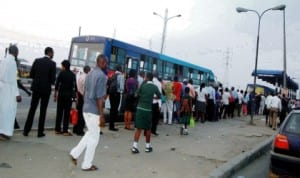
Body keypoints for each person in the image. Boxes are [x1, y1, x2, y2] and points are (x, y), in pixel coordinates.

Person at [70, 54, 108, 171]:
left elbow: (84, 91)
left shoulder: (90, 74)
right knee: (94, 138)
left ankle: (75, 153)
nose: (106, 65)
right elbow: (99, 98)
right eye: (105, 63)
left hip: (85, 108)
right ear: (101, 63)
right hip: (94, 111)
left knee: (90, 133)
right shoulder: (101, 76)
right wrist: (101, 115)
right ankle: (87, 164)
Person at [23, 47, 56, 137]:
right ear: (50, 53)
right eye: (53, 53)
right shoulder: (52, 64)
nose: (53, 55)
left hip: (36, 88)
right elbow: (53, 80)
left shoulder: (37, 61)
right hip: (45, 90)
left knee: (32, 109)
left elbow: (31, 74)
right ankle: (40, 132)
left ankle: (26, 130)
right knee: (43, 110)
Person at [131, 72, 161, 154]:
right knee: (148, 129)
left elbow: (136, 94)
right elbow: (160, 96)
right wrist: (154, 97)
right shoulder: (154, 87)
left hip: (140, 108)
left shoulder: (143, 85)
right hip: (148, 110)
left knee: (139, 129)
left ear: (147, 78)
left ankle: (134, 146)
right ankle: (147, 147)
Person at [0, 45, 22, 140]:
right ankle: (6, 132)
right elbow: (13, 80)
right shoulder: (12, 62)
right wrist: (17, 94)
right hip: (9, 91)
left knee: (2, 110)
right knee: (9, 112)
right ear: (16, 52)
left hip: (2, 89)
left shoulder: (3, 61)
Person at [54, 60, 77, 136]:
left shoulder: (61, 73)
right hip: (69, 96)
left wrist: (55, 95)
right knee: (67, 113)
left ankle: (57, 129)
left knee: (59, 112)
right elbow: (75, 87)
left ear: (64, 66)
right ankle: (65, 131)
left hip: (61, 95)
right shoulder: (73, 75)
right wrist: (75, 97)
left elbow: (57, 85)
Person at [73, 65, 91, 136]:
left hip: (79, 96)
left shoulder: (80, 76)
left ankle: (75, 128)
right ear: (88, 71)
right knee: (83, 115)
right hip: (84, 97)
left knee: (79, 113)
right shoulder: (87, 78)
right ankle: (80, 130)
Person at [108, 64, 124, 131]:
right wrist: (121, 92)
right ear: (120, 69)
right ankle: (112, 126)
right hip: (116, 94)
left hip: (111, 94)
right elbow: (121, 87)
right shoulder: (121, 76)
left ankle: (110, 125)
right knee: (115, 110)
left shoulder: (113, 75)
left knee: (112, 109)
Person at [151, 71, 162, 136]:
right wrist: (160, 105)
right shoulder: (158, 83)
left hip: (149, 102)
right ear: (157, 76)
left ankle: (146, 131)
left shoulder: (149, 82)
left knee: (149, 118)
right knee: (155, 118)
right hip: (155, 103)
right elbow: (159, 95)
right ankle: (153, 131)